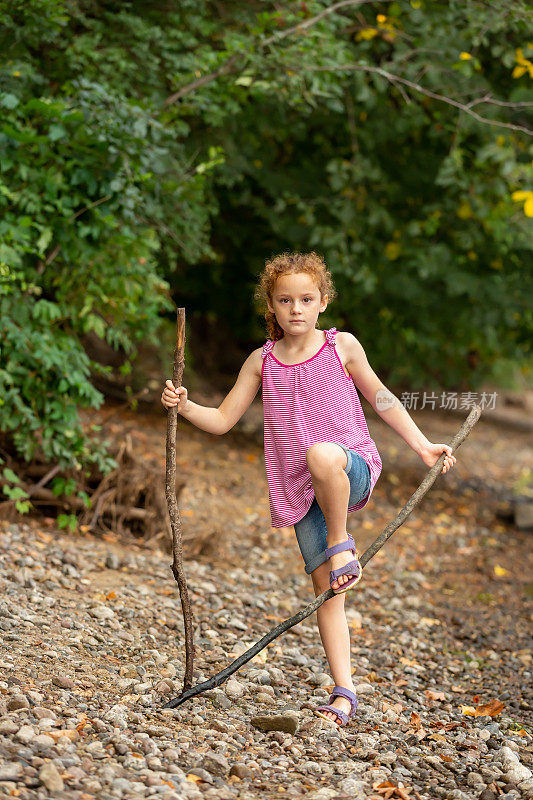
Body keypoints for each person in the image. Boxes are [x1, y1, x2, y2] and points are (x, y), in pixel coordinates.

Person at [161, 251, 456, 727]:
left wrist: (422, 445)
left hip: (348, 465)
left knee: (322, 454)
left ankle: (342, 542)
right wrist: (186, 405)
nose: (296, 308)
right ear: (272, 307)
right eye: (285, 300)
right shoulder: (261, 361)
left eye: (306, 299)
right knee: (327, 592)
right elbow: (220, 420)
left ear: (322, 302)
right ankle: (344, 692)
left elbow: (381, 397)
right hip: (299, 489)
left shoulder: (343, 348)